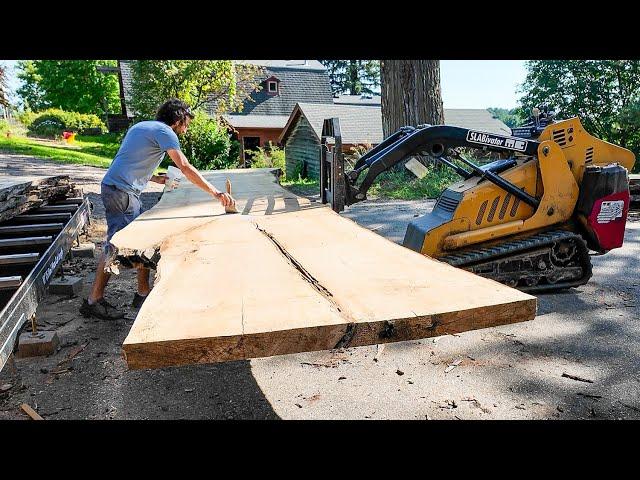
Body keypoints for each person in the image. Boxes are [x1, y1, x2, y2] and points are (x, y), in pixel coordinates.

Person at [79, 98, 234, 320]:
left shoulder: (141, 127)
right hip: (122, 192)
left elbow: (127, 160)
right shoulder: (166, 133)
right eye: (186, 123)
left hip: (120, 189)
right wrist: (215, 193)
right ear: (178, 119)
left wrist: (153, 178)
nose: (186, 128)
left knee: (143, 240)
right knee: (115, 246)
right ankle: (94, 301)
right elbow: (185, 166)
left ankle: (142, 293)